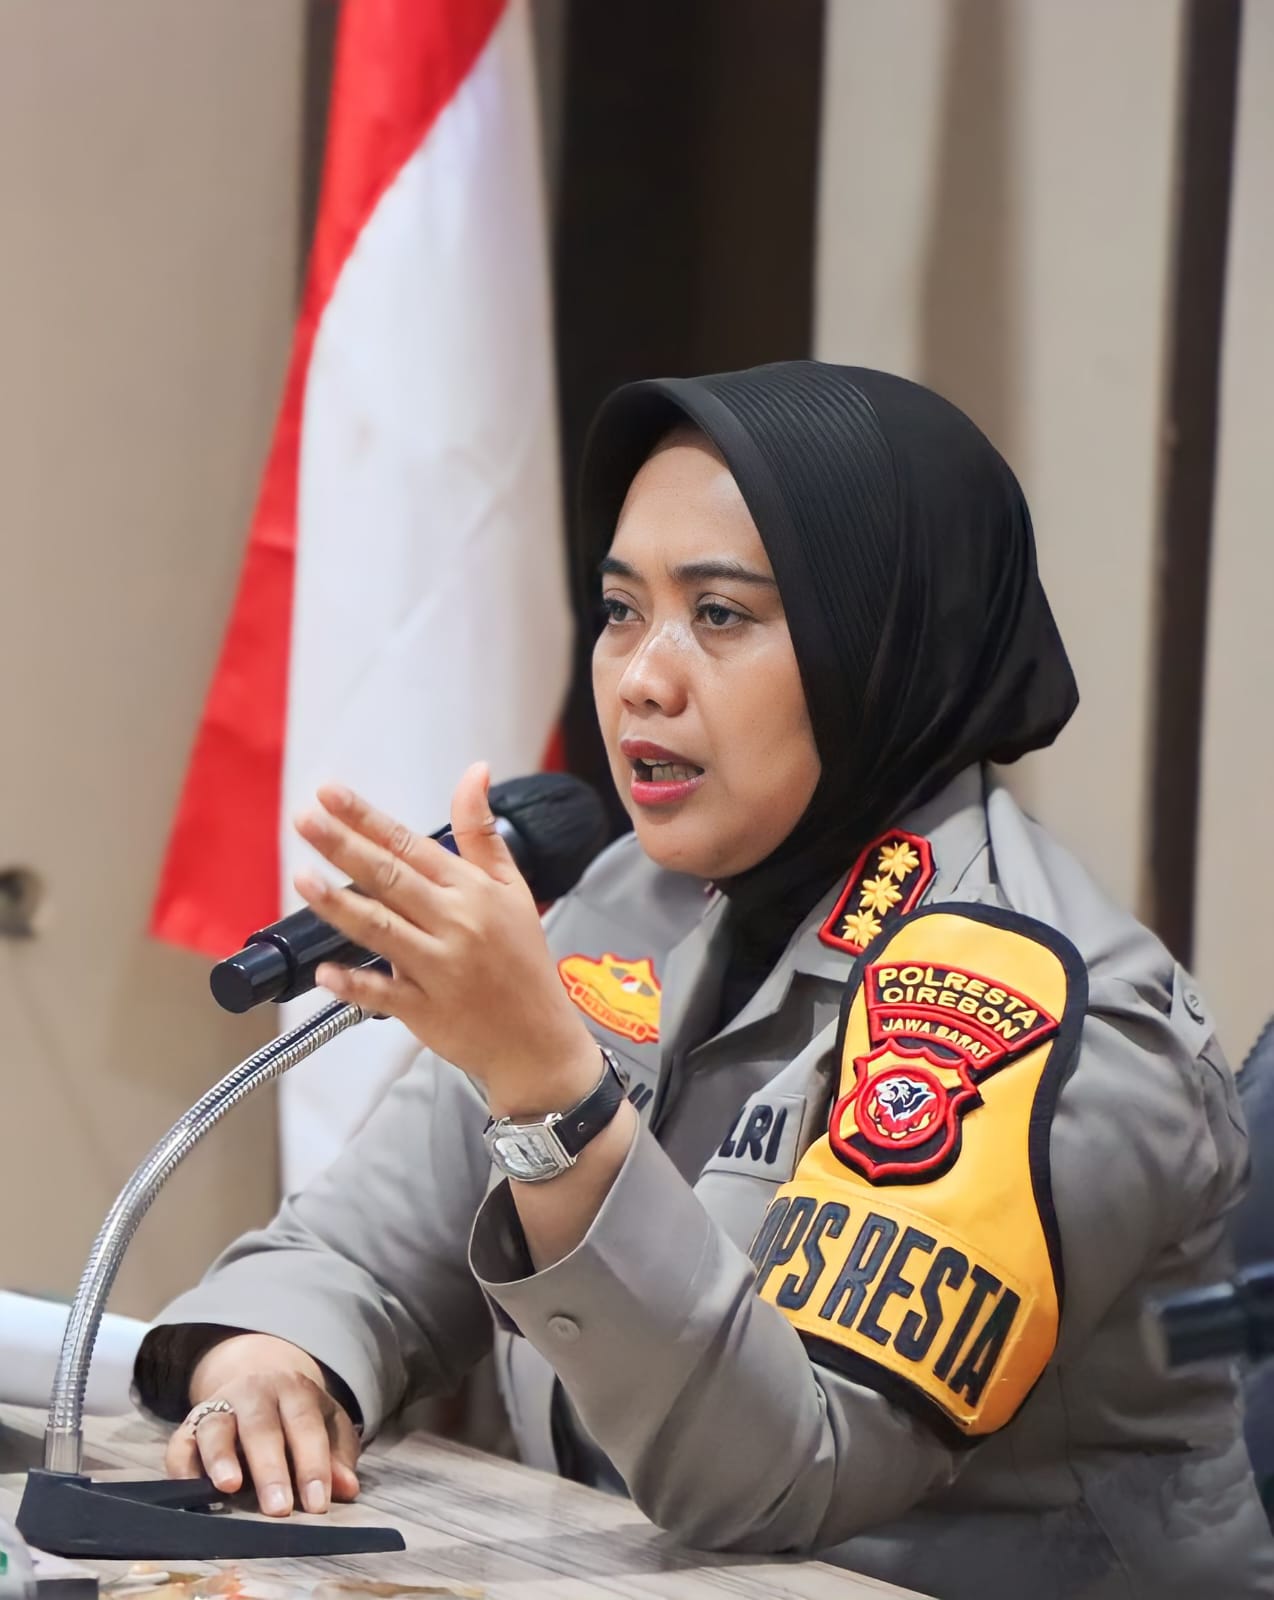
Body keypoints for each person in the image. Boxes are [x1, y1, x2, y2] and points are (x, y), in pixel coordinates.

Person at [133, 362, 1274, 1599]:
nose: (641, 676)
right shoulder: (628, 899)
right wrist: (270, 1362)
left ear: (878, 639)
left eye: (719, 615)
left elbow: (783, 1481)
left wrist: (551, 1098)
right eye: (621, 609)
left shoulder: (1030, 1005)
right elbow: (353, 1256)